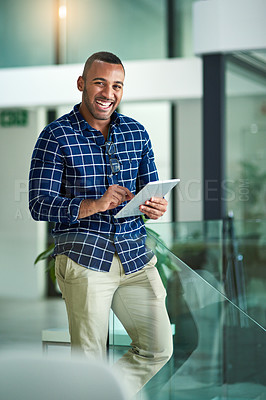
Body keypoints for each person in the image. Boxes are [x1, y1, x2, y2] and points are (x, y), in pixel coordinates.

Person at [29, 51, 173, 398]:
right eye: (99, 83)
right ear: (82, 84)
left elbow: (148, 189)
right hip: (85, 258)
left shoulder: (136, 132)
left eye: (117, 86)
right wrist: (95, 204)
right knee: (89, 361)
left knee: (158, 348)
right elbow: (38, 204)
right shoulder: (56, 136)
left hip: (135, 257)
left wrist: (153, 206)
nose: (108, 93)